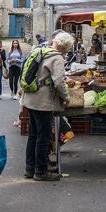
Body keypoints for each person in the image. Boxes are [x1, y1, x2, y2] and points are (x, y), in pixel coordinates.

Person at [21, 31, 72, 181]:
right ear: (65, 47)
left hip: (30, 98)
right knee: (43, 137)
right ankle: (41, 171)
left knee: (33, 135)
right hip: (43, 102)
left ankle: (30, 168)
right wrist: (66, 97)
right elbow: (58, 82)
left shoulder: (40, 51)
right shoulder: (56, 57)